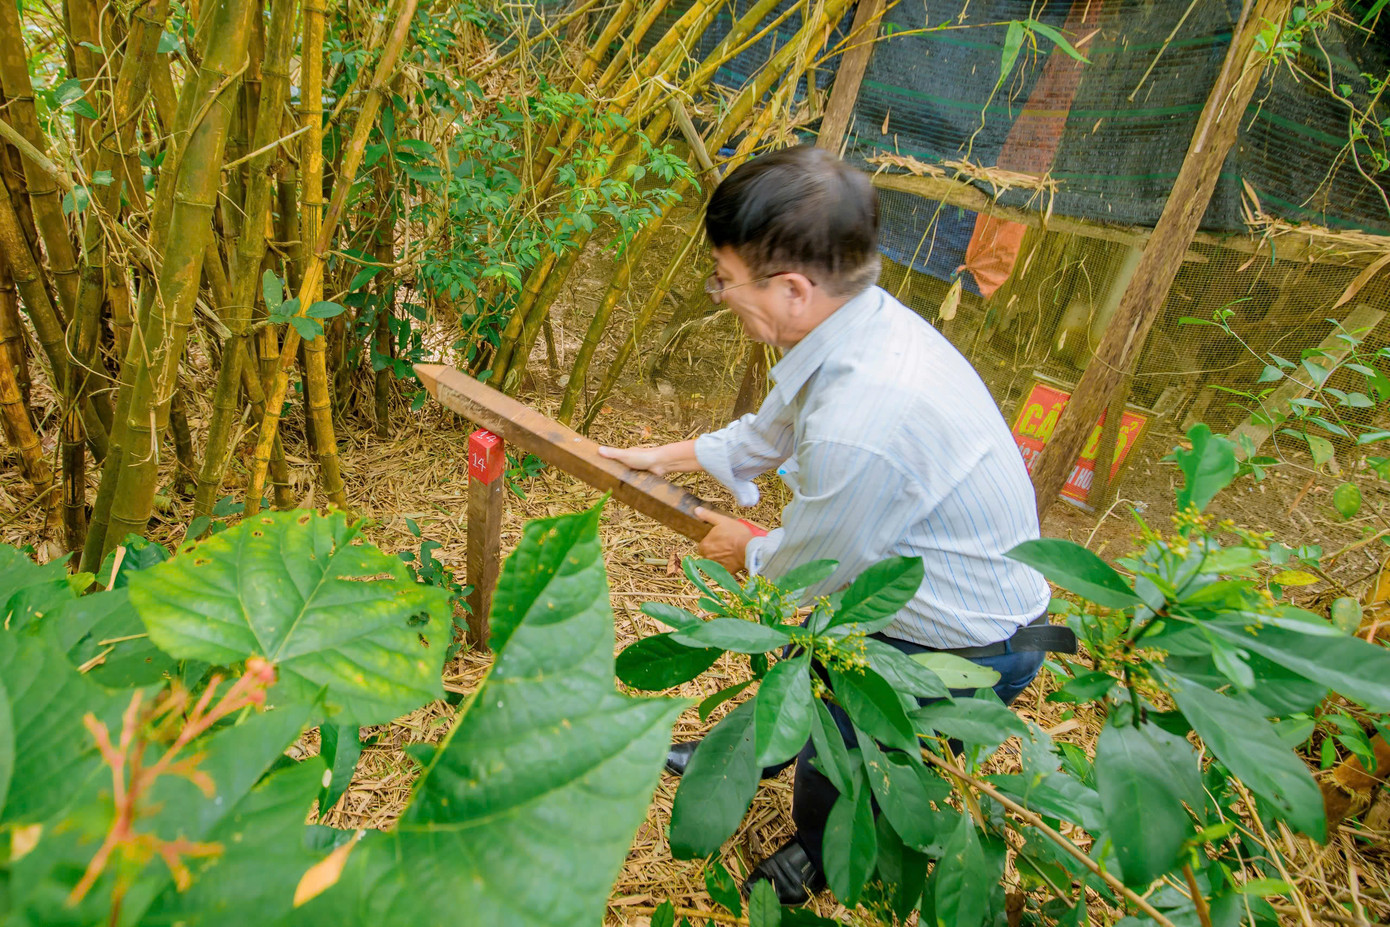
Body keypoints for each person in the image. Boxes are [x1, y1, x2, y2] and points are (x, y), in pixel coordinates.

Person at [599, 145, 1056, 904]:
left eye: (725, 279)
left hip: (968, 643)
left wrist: (744, 549)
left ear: (792, 288)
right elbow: (767, 433)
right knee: (808, 676)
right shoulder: (852, 322)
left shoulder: (866, 411)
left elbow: (818, 567)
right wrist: (663, 456)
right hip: (916, 589)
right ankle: (753, 755)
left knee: (841, 748)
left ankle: (814, 845)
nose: (719, 294)